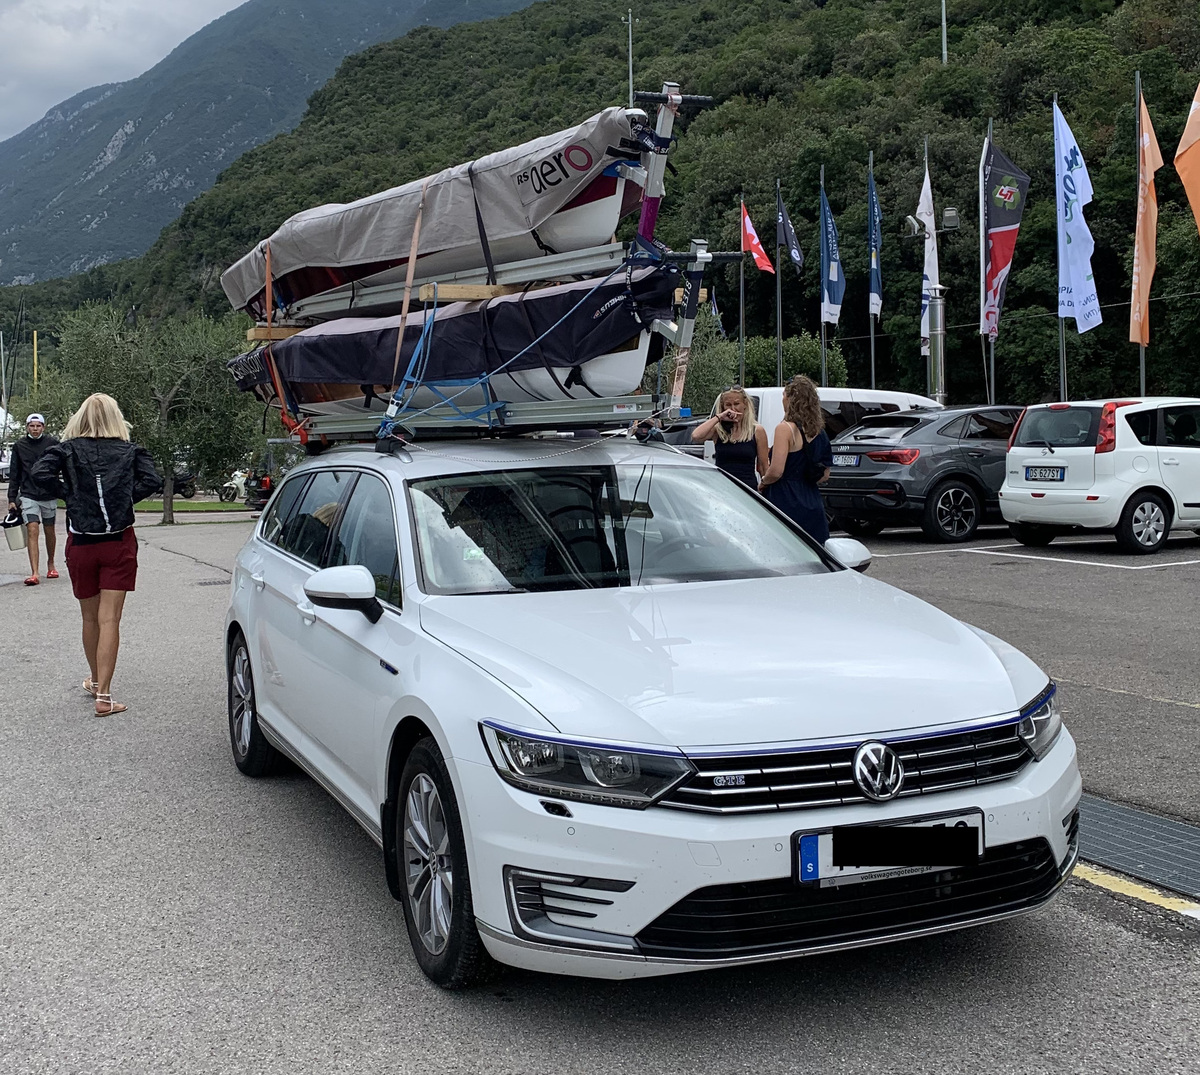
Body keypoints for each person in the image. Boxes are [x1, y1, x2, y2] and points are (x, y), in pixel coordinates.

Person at [30, 393, 161, 716]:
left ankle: (94, 679)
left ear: (81, 418)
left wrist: (70, 495)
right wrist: (125, 498)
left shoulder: (66, 450)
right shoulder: (130, 451)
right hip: (118, 541)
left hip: (82, 542)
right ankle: (104, 693)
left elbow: (40, 474)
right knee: (110, 619)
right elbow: (153, 480)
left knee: (89, 618)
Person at [759, 375, 833, 543]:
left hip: (784, 498)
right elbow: (825, 475)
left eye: (784, 395)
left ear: (790, 398)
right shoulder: (820, 432)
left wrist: (764, 481)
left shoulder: (785, 429)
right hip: (811, 498)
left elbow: (777, 471)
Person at [6, 412, 62, 585]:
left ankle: (51, 564)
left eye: (38, 426)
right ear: (27, 427)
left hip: (48, 493)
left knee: (49, 529)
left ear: (43, 427)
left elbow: (61, 465)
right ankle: (35, 573)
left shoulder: (52, 444)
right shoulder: (19, 446)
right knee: (32, 528)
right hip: (29, 494)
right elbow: (14, 473)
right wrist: (12, 497)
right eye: (32, 425)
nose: (35, 429)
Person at [690, 387, 769, 489]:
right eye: (728, 405)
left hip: (747, 488)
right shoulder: (718, 430)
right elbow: (696, 436)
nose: (733, 409)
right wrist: (719, 417)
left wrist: (765, 487)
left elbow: (763, 466)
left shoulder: (757, 431)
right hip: (722, 487)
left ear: (745, 404)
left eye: (736, 404)